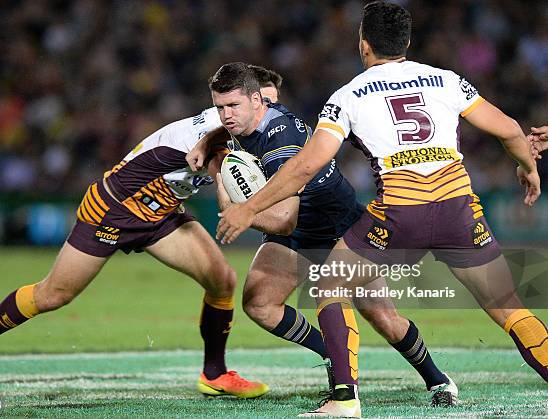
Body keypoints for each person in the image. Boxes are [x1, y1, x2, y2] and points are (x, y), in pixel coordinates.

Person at [216, 2, 547, 417]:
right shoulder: (446, 80)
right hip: (459, 210)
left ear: (364, 44)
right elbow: (511, 130)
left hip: (398, 217)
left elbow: (305, 166)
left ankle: (344, 400)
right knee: (510, 307)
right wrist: (529, 169)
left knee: (331, 285)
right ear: (407, 42)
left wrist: (248, 210)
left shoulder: (349, 95)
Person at [0, 87, 277, 401]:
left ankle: (214, 374)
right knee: (54, 294)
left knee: (222, 280)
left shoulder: (233, 125)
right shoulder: (221, 132)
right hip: (114, 209)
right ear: (247, 100)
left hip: (160, 213)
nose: (270, 113)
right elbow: (224, 181)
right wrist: (242, 211)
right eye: (265, 104)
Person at [191, 62, 457, 409]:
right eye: (220, 107)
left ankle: (438, 380)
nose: (226, 115)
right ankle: (332, 353)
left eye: (232, 106)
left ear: (258, 101)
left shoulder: (280, 141)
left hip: (338, 229)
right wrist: (206, 141)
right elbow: (226, 130)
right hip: (301, 228)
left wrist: (241, 211)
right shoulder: (249, 116)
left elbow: (284, 220)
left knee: (383, 319)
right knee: (260, 303)